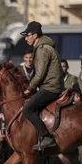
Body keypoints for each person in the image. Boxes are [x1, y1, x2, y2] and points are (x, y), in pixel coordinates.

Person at [21, 22, 65, 150]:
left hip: (50, 88)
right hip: (53, 86)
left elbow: (39, 75)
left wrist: (29, 89)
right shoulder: (45, 47)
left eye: (27, 35)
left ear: (34, 35)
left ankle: (46, 137)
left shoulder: (42, 49)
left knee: (27, 110)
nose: (26, 38)